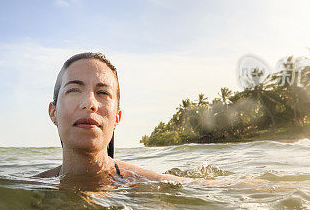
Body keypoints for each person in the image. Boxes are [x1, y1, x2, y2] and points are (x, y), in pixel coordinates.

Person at [34, 52, 192, 183]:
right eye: (74, 90)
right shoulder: (31, 187)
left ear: (117, 117)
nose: (90, 103)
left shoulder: (152, 184)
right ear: (53, 112)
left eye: (102, 93)